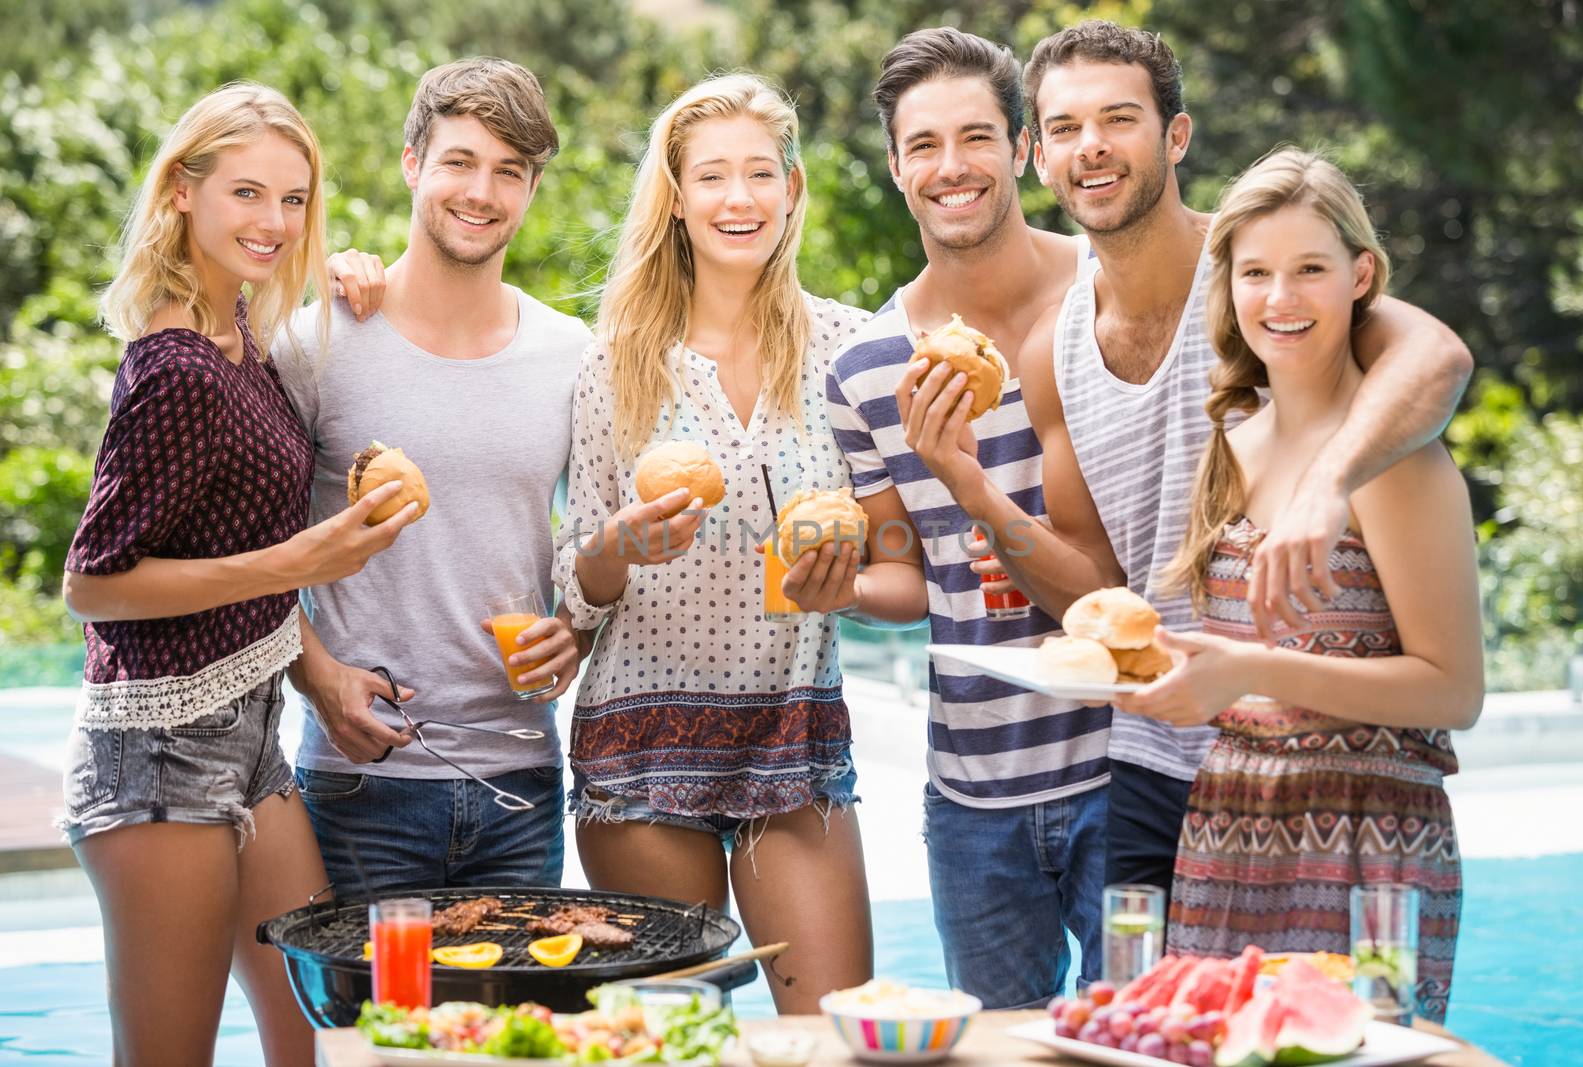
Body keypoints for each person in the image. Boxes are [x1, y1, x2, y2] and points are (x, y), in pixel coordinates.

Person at [1013, 20, 1475, 898]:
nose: (1093, 147)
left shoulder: (1279, 270)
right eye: (1067, 127)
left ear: (1176, 134)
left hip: (1352, 819)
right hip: (1190, 779)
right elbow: (1111, 583)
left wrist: (1329, 484)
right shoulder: (1201, 416)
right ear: (1039, 153)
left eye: (1120, 118)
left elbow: (1440, 357)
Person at [59, 83, 415, 1066]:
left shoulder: (241, 332)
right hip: (159, 753)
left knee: (322, 1039)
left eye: (294, 199)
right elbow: (93, 583)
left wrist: (321, 670)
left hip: (251, 742)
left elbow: (227, 539)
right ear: (183, 189)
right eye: (247, 193)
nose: (274, 222)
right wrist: (302, 560)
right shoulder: (176, 361)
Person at [1115, 146, 1479, 1023]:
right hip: (1227, 823)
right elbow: (1244, 659)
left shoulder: (1399, 463)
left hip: (1365, 848)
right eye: (1257, 272)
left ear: (1361, 276)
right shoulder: (1231, 443)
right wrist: (1175, 671)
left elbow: (1454, 689)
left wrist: (1250, 672)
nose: (1280, 298)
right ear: (1230, 286)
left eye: (1309, 269)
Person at [553, 73, 871, 1013]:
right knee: (678, 1036)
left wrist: (848, 572)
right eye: (713, 177)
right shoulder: (615, 360)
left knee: (833, 1035)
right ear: (678, 199)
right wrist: (618, 541)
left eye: (760, 174)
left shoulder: (851, 352)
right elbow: (579, 584)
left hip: (793, 735)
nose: (739, 198)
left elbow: (894, 541)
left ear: (793, 188)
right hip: (642, 740)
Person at [818, 27, 1111, 1007]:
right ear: (897, 169)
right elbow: (908, 575)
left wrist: (969, 478)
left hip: (1132, 766)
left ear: (1022, 148)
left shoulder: (1114, 300)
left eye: (976, 137)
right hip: (973, 795)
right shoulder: (862, 371)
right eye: (925, 146)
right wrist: (841, 590)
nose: (953, 167)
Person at [276, 57, 590, 895]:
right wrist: (316, 676)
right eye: (459, 161)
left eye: (509, 172)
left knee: (521, 1029)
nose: (482, 192)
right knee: (364, 1032)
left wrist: (580, 630)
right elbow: (251, 550)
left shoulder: (572, 355)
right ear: (413, 163)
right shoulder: (315, 344)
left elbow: (598, 541)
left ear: (530, 189)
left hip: (524, 779)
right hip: (362, 780)